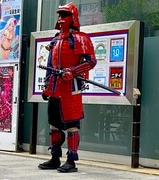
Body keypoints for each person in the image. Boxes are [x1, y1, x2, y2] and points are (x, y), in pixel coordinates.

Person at [38, 3, 97, 173]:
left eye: (64, 15)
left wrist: (73, 71)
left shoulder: (81, 38)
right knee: (54, 124)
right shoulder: (55, 39)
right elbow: (50, 64)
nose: (60, 19)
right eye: (59, 15)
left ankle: (71, 160)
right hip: (56, 87)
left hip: (71, 87)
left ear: (72, 18)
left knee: (72, 124)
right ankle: (55, 157)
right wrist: (47, 86)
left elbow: (91, 62)